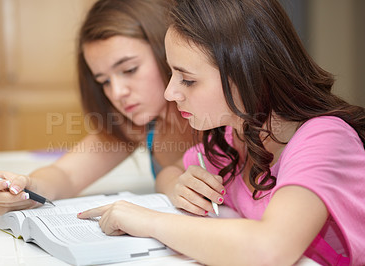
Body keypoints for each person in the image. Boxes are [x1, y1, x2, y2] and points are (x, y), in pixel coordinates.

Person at [77, 0, 365, 265]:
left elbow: (272, 249)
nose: (170, 92)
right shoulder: (232, 138)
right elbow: (170, 171)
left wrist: (147, 221)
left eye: (187, 80)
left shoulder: (324, 139)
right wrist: (179, 185)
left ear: (245, 73)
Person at [0, 0, 194, 215]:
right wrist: (28, 188)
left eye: (129, 70)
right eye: (104, 82)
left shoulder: (216, 118)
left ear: (168, 53)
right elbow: (66, 174)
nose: (117, 93)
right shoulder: (139, 124)